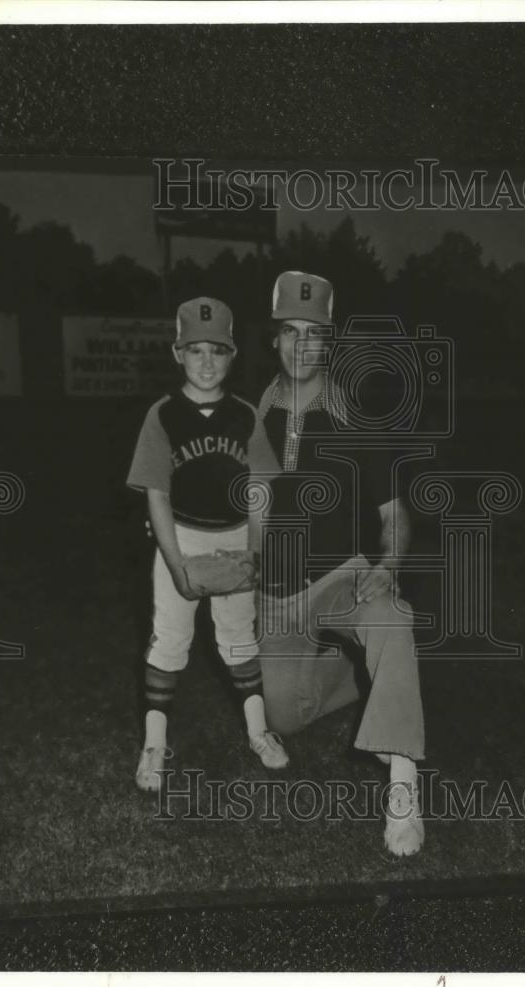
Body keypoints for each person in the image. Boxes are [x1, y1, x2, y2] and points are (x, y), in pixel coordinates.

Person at [256, 271, 426, 857]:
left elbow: (397, 514)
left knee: (393, 619)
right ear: (273, 339)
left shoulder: (356, 418)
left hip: (345, 577)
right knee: (288, 715)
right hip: (276, 593)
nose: (301, 346)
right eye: (289, 332)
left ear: (329, 344)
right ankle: (362, 681)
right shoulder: (247, 417)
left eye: (314, 334)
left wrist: (390, 561)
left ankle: (403, 786)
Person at [127, 296, 289, 792]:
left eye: (216, 351)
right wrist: (176, 564)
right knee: (171, 640)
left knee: (239, 638)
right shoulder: (163, 414)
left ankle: (260, 733)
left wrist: (255, 551)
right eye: (194, 350)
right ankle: (154, 744)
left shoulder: (244, 415)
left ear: (233, 355)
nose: (205, 361)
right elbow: (156, 493)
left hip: (236, 535)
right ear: (177, 354)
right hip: (181, 536)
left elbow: (260, 490)